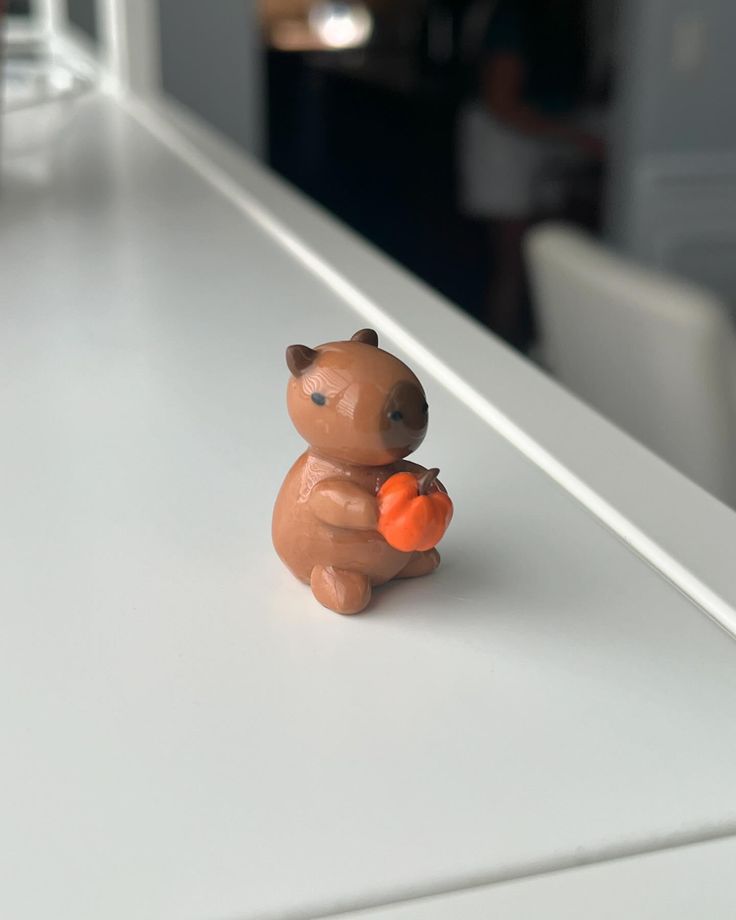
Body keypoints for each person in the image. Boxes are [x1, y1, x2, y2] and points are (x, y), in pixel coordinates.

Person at [458, 0, 606, 345]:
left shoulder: (570, 18)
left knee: (544, 257)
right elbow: (501, 102)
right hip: (503, 141)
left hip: (543, 139)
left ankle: (545, 348)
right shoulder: (513, 17)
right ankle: (501, 350)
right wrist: (578, 138)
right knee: (512, 263)